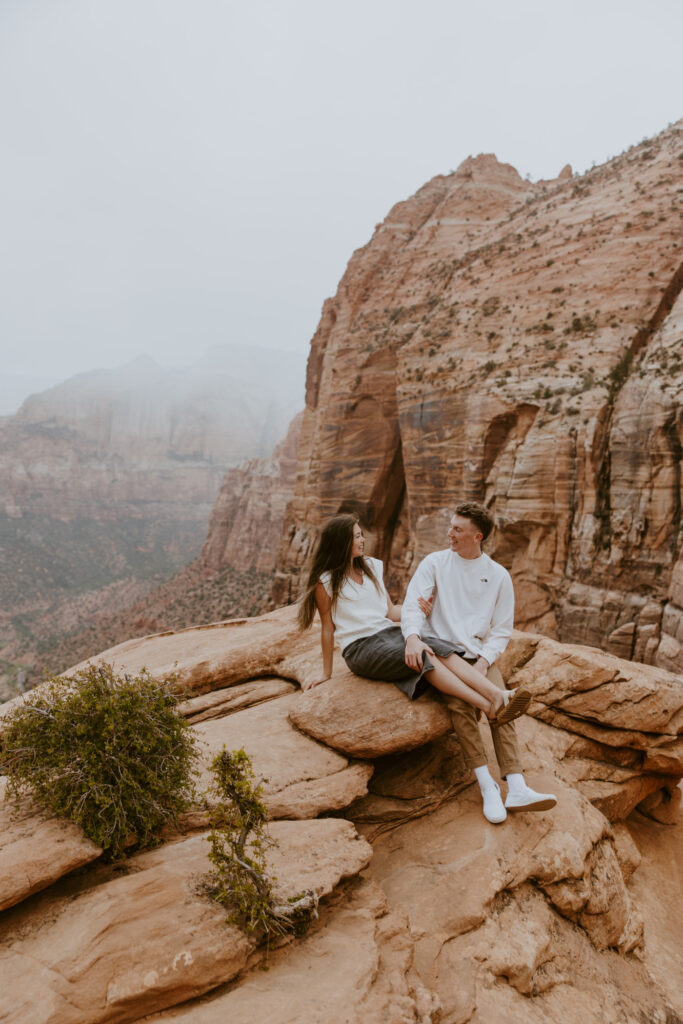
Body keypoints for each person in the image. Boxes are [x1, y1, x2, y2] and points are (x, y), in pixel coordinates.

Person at [401, 501, 557, 825]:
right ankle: (487, 787)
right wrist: (413, 636)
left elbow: (501, 630)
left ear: (478, 536)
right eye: (451, 526)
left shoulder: (499, 576)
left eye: (457, 529)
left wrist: (484, 662)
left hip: (478, 657)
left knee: (503, 707)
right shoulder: (435, 563)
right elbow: (413, 605)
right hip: (443, 653)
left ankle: (516, 786)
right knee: (461, 708)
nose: (450, 533)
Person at [298, 513, 532, 724]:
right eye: (357, 536)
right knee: (423, 657)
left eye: (361, 535)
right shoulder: (325, 581)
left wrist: (425, 610)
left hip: (388, 634)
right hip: (360, 648)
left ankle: (498, 696)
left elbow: (389, 612)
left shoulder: (371, 567)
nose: (362, 540)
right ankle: (488, 706)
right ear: (342, 542)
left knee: (437, 646)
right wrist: (326, 673)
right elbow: (327, 629)